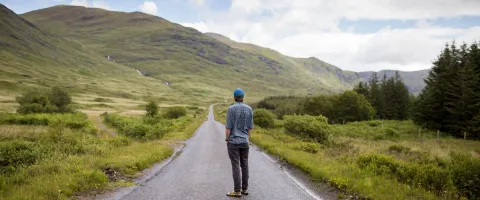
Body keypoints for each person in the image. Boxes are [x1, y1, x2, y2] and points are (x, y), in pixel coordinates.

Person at [225, 88, 253, 197]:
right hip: (245, 141)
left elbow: (228, 128)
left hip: (233, 142)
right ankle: (245, 189)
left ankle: (237, 191)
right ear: (243, 98)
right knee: (245, 165)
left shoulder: (230, 109)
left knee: (235, 165)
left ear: (234, 97)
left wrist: (227, 140)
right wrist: (246, 138)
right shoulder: (249, 109)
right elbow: (250, 128)